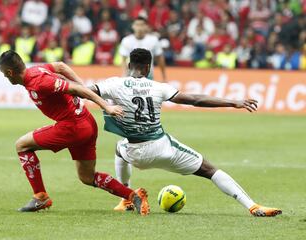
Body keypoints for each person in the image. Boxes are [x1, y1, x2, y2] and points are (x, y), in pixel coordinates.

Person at [90, 48, 282, 217]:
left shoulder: (114, 84)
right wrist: (232, 102)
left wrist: (66, 85)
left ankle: (127, 199)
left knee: (119, 148)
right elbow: (195, 100)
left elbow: (84, 90)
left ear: (129, 64)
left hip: (133, 151)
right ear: (148, 67)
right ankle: (253, 206)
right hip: (161, 149)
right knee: (209, 170)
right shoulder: (159, 87)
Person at [0, 50, 149, 215]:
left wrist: (107, 106)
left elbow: (77, 89)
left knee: (22, 145)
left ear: (9, 72)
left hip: (72, 127)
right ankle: (133, 196)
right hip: (87, 123)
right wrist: (82, 86)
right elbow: (61, 66)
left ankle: (40, 196)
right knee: (87, 177)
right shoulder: (37, 70)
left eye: (5, 75)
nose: (6, 78)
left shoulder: (39, 81)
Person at [119, 16, 166, 82]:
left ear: (146, 26)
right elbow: (123, 60)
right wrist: (124, 74)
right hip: (131, 77)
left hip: (148, 77)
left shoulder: (153, 40)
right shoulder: (126, 40)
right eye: (137, 25)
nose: (139, 27)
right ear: (133, 26)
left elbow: (160, 59)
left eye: (142, 25)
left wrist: (164, 76)